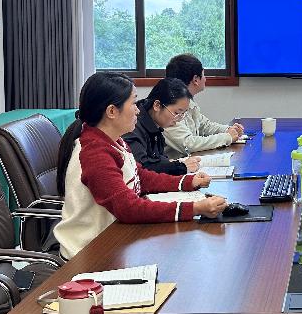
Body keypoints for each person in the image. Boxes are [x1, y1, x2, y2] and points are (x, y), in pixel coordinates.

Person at [54, 72, 227, 258]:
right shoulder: (94, 153)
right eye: (133, 103)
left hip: (115, 239)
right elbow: (128, 208)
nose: (138, 110)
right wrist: (195, 208)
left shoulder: (115, 141)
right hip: (89, 254)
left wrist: (187, 182)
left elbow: (141, 177)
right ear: (112, 111)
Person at [162, 54, 243, 157]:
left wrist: (228, 129)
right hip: (175, 164)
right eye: (204, 75)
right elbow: (189, 144)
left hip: (190, 161)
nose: (205, 79)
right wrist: (227, 137)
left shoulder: (187, 101)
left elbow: (205, 126)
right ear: (196, 79)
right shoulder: (168, 107)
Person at [123, 77, 202, 175]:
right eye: (177, 113)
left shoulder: (155, 124)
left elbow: (159, 159)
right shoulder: (132, 127)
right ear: (157, 105)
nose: (179, 119)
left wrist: (173, 164)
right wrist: (180, 167)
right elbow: (142, 169)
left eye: (183, 114)